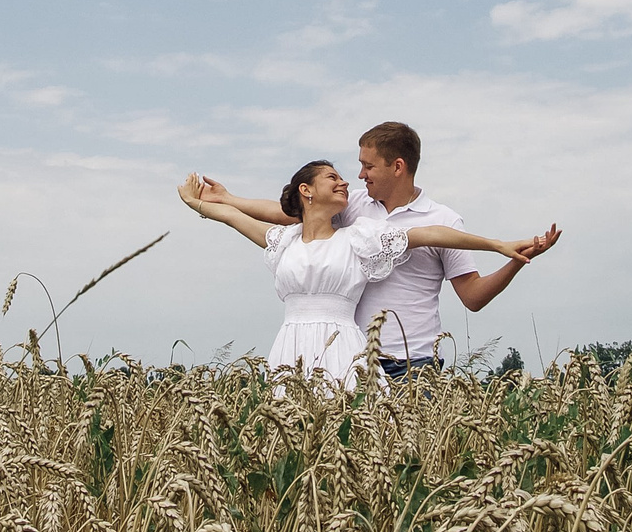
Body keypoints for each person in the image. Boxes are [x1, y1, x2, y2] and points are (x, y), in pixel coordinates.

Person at [197, 121, 559, 383]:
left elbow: (473, 297)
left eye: (368, 166)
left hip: (414, 367)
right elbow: (290, 213)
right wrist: (229, 199)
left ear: (397, 166)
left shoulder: (444, 220)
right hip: (351, 363)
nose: (359, 175)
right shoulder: (352, 206)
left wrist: (514, 261)